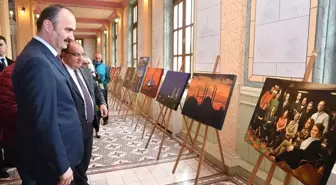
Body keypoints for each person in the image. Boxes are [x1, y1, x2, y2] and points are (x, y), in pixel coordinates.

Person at [12, 4, 83, 185]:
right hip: (50, 165)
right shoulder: (37, 61)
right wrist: (62, 165)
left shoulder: (45, 55)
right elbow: (44, 119)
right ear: (48, 26)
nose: (71, 37)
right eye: (68, 29)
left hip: (52, 159)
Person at [61, 41, 108, 185]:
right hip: (72, 129)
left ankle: (82, 180)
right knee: (73, 162)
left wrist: (102, 103)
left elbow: (96, 89)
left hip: (89, 124)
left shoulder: (85, 71)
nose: (80, 58)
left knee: (85, 160)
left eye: (82, 54)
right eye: (76, 54)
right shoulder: (59, 74)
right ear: (64, 55)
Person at [93, 53, 110, 126]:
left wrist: (103, 84)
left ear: (101, 58)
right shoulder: (91, 66)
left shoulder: (105, 67)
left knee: (104, 102)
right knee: (95, 103)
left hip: (102, 88)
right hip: (93, 87)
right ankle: (97, 118)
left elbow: (108, 78)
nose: (97, 60)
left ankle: (105, 118)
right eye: (96, 58)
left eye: (99, 58)